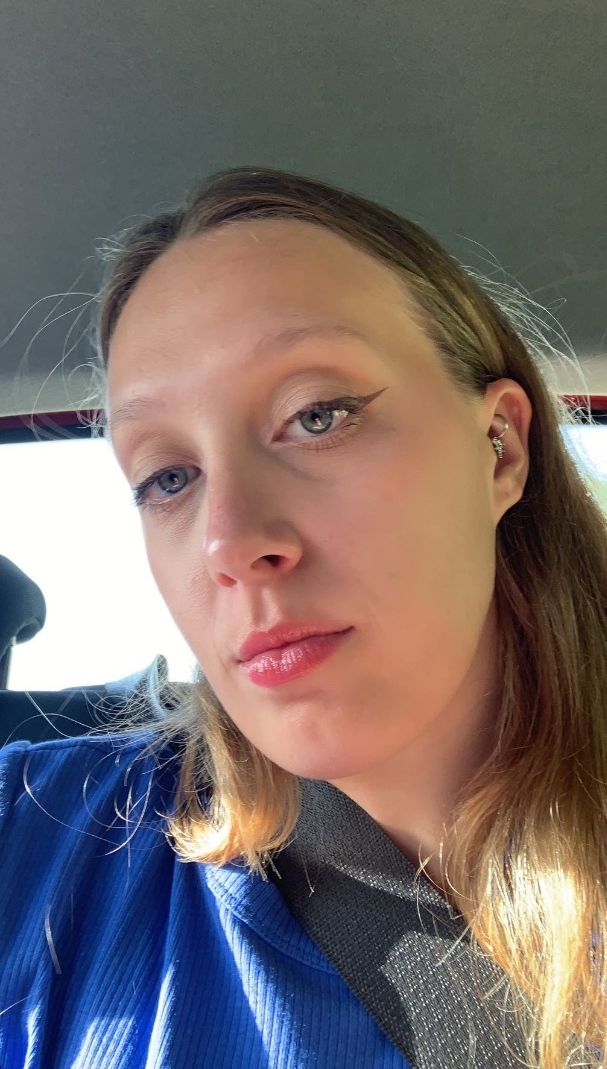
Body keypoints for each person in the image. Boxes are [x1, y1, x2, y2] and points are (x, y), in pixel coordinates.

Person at [1, 167, 605, 1069]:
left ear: (500, 449)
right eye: (168, 477)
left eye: (317, 416)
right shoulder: (37, 840)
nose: (230, 542)